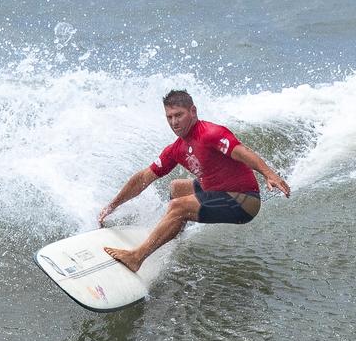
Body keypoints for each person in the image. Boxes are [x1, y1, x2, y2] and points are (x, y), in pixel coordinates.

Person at [98, 89, 290, 272]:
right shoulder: (176, 149)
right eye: (169, 117)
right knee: (177, 188)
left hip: (243, 201)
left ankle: (136, 258)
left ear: (193, 111)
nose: (174, 122)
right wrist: (112, 206)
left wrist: (270, 175)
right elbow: (144, 178)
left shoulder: (211, 133)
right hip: (216, 190)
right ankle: (171, 237)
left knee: (178, 206)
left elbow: (243, 152)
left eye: (178, 115)